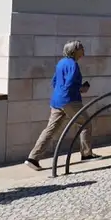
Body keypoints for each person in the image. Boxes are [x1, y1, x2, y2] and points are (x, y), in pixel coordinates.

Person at [25, 40, 98, 171]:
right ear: (74, 50)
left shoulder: (61, 63)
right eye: (81, 47)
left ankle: (33, 158)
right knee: (85, 123)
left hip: (56, 101)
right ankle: (86, 154)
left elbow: (54, 82)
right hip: (69, 100)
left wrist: (63, 92)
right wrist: (81, 89)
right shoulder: (73, 65)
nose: (83, 50)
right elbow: (69, 84)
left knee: (50, 129)